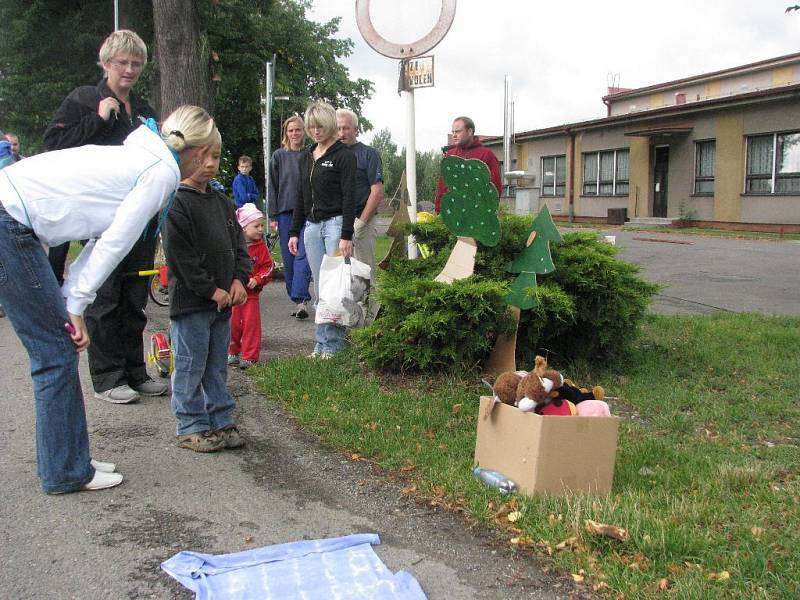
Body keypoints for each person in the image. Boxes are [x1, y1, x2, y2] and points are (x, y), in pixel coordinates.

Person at [0, 104, 216, 493]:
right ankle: (65, 471)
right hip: (9, 221)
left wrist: (71, 299)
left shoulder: (142, 151)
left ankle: (69, 458)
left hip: (12, 216)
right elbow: (116, 243)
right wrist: (75, 303)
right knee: (54, 354)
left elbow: (101, 236)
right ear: (198, 154)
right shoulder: (161, 173)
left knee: (57, 350)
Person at [43, 29, 166, 404]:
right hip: (102, 217)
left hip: (139, 218)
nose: (129, 70)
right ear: (106, 63)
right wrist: (97, 120)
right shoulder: (85, 99)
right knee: (106, 298)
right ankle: (108, 376)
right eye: (122, 62)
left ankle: (134, 370)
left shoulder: (143, 109)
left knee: (133, 298)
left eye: (136, 63)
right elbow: (54, 144)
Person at [164, 126, 251, 453]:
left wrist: (238, 280)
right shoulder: (176, 203)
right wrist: (211, 290)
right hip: (192, 305)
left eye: (215, 156)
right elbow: (181, 259)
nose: (210, 163)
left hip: (222, 305)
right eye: (202, 157)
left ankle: (220, 418)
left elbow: (240, 248)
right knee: (190, 364)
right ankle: (190, 424)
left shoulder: (224, 203)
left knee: (216, 365)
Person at [288, 101, 355, 357]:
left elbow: (349, 197)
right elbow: (300, 196)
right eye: (311, 127)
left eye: (320, 126)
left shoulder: (343, 156)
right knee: (319, 287)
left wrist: (346, 235)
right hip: (312, 227)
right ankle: (321, 341)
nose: (316, 131)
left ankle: (335, 344)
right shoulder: (306, 156)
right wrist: (294, 230)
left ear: (329, 126)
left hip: (336, 224)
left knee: (334, 287)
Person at [335, 109, 384, 299]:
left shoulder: (368, 154)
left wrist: (362, 223)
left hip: (362, 219)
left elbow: (377, 191)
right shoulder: (331, 154)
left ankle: (368, 322)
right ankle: (342, 319)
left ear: (356, 130)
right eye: (338, 128)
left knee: (364, 273)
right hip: (336, 222)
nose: (341, 133)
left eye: (346, 128)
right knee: (339, 273)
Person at [268, 115, 312, 319]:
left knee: (303, 254)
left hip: (307, 213)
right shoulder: (278, 156)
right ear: (286, 133)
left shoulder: (310, 154)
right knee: (289, 257)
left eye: (298, 130)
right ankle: (296, 298)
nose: (294, 133)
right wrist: (273, 215)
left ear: (304, 132)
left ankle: (302, 299)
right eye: (291, 130)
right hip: (285, 212)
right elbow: (272, 186)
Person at [228, 203, 274, 369]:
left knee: (250, 326)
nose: (261, 229)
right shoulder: (233, 246)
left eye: (262, 225)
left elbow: (268, 267)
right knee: (232, 324)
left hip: (251, 295)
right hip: (233, 293)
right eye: (256, 226)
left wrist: (257, 279)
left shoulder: (260, 247)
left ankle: (250, 356)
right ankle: (232, 351)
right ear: (243, 228)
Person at [434, 116, 502, 214]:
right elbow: (443, 185)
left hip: (477, 216)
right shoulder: (450, 155)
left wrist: (486, 211)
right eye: (453, 132)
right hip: (453, 214)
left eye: (457, 131)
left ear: (470, 132)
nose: (454, 135)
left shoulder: (486, 155)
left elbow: (495, 188)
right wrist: (439, 210)